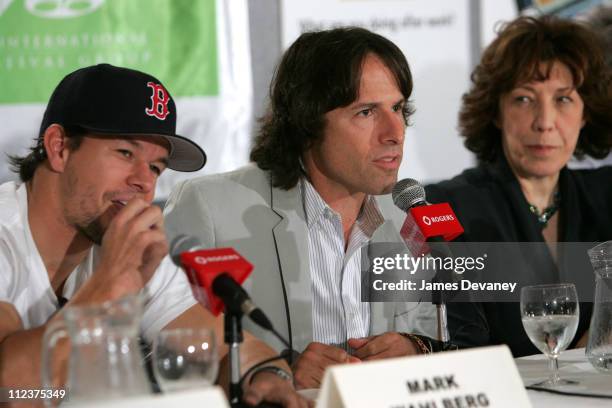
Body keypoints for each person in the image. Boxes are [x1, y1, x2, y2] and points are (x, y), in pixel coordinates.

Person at [0, 64, 308, 407]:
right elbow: (12, 389)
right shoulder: (8, 238)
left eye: (155, 167)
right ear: (59, 148)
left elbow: (227, 350)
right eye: (125, 153)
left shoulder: (120, 243)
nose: (144, 182)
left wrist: (266, 378)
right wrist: (110, 286)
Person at [164, 27, 444, 390]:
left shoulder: (404, 215)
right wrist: (270, 372)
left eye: (397, 108)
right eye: (366, 112)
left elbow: (439, 331)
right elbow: (166, 356)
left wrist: (415, 349)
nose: (395, 132)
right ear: (307, 121)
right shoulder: (210, 208)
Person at [425, 16, 612, 357]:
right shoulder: (441, 207)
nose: (544, 123)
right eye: (524, 99)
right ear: (497, 111)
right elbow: (453, 339)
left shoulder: (607, 195)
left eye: (563, 100)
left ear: (586, 112)